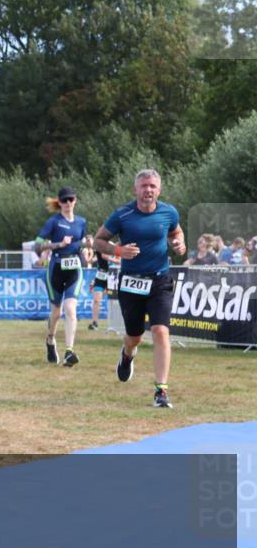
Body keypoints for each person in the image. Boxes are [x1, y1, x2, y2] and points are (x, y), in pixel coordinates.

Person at [94, 169, 186, 408]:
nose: (148, 190)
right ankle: (127, 355)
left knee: (160, 331)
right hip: (131, 281)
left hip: (160, 280)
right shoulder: (122, 214)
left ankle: (161, 391)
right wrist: (118, 250)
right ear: (135, 189)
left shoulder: (169, 212)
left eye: (152, 186)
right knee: (134, 337)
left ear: (159, 190)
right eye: (144, 186)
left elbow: (176, 232)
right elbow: (98, 241)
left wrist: (180, 244)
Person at [36, 186, 87, 367]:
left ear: (75, 200)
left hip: (74, 269)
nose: (68, 203)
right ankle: (50, 339)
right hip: (56, 269)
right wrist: (58, 244)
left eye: (71, 199)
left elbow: (80, 244)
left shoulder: (81, 222)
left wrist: (86, 246)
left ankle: (69, 352)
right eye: (64, 200)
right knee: (56, 312)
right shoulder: (53, 222)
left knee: (71, 309)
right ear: (59, 202)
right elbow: (37, 246)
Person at [87, 247, 118, 331]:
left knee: (114, 300)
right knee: (96, 300)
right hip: (101, 275)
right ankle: (94, 323)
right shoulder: (99, 246)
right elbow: (101, 257)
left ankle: (116, 323)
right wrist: (91, 255)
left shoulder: (113, 245)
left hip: (112, 275)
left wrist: (116, 260)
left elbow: (119, 257)